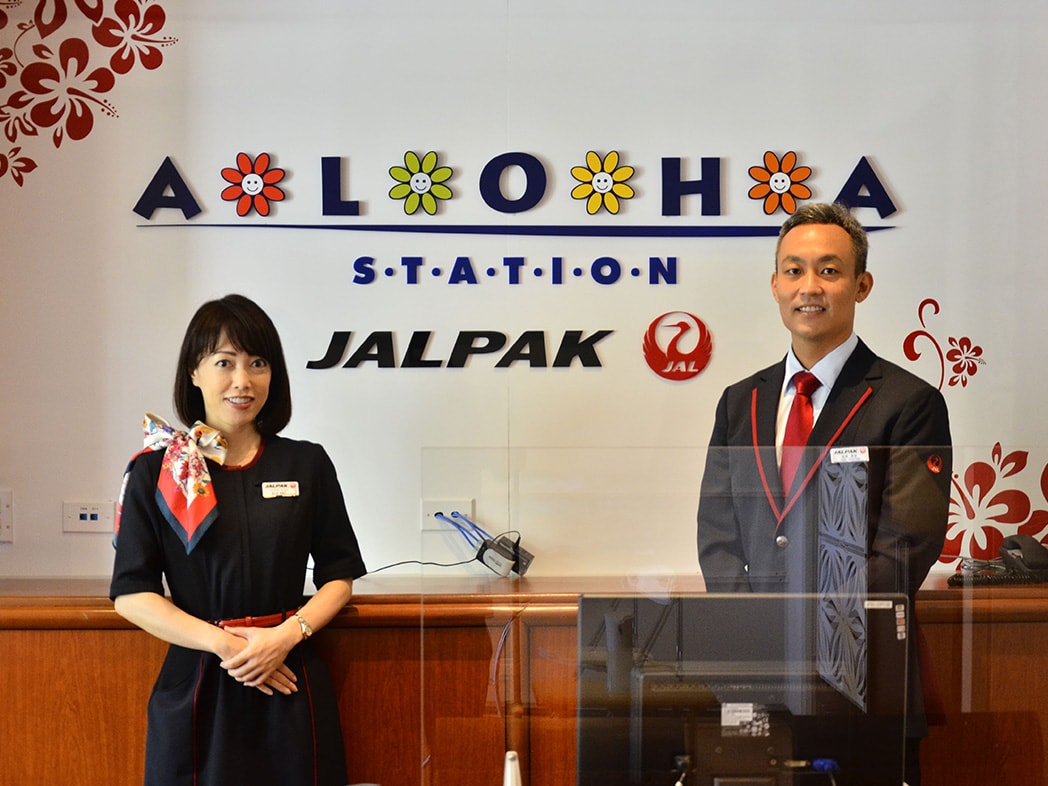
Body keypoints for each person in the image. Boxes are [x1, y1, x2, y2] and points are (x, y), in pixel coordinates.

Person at [696, 202, 952, 785]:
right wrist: (756, 638)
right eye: (794, 270)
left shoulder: (908, 402)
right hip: (755, 678)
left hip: (859, 674)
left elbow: (905, 545)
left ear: (861, 285)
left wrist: (808, 636)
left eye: (829, 271)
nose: (809, 286)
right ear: (775, 285)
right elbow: (717, 537)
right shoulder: (740, 401)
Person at [110, 294, 366, 786]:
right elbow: (131, 594)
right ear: (194, 371)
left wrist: (285, 637)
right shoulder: (156, 471)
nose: (242, 381)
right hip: (198, 678)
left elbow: (339, 576)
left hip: (289, 676)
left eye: (258, 363)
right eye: (224, 362)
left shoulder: (306, 463)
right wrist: (227, 646)